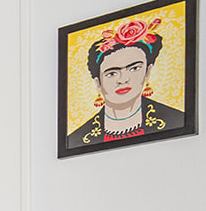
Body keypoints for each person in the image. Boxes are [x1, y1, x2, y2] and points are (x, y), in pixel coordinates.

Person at [68, 16, 188, 148]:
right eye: (112, 73)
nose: (123, 79)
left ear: (148, 71)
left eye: (134, 68)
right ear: (98, 82)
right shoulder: (79, 138)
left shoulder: (174, 119)